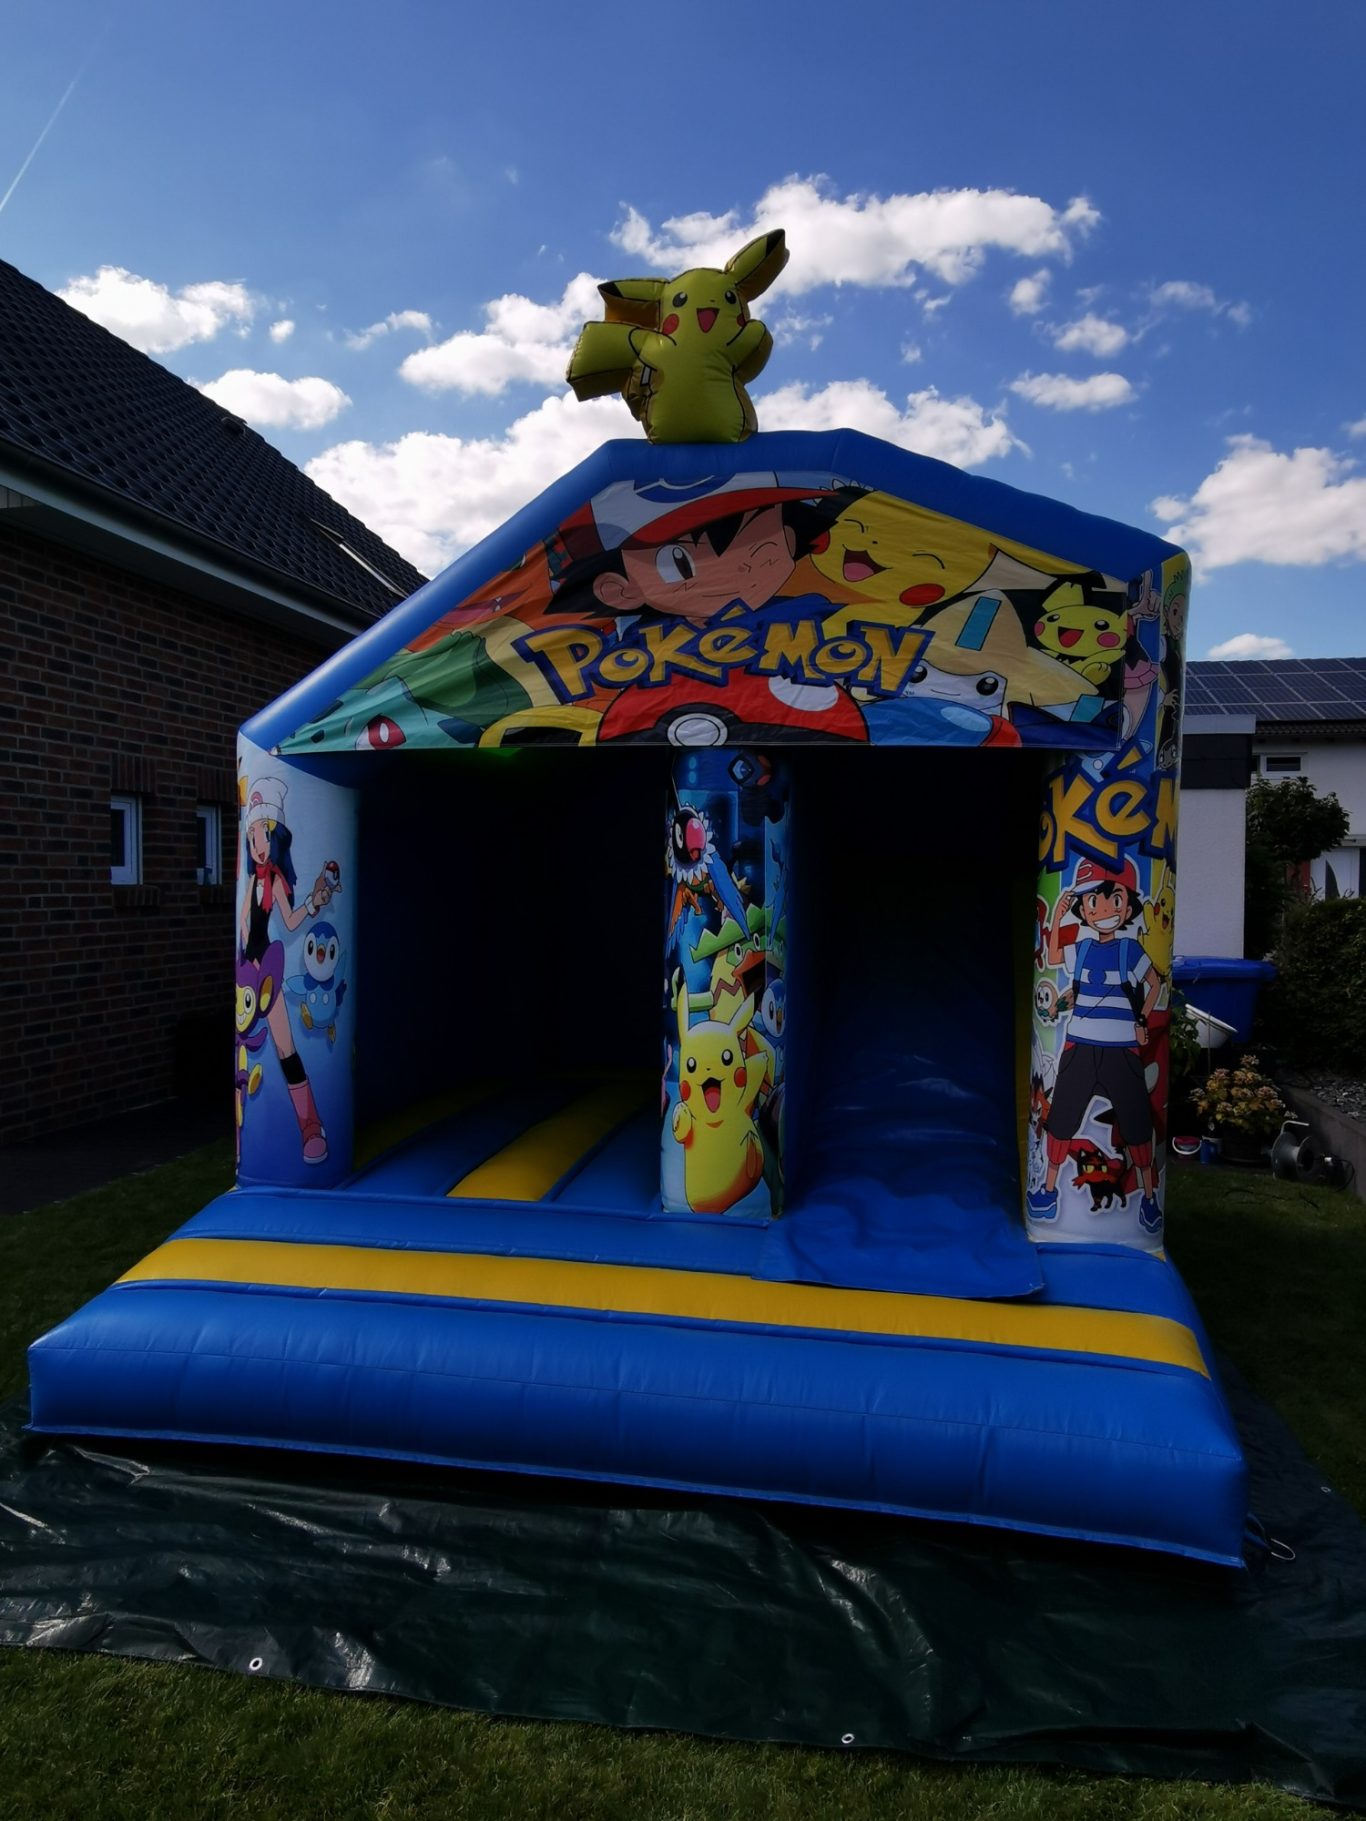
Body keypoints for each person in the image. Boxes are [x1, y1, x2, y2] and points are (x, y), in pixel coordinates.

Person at [1029, 855, 1162, 1231]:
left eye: (1113, 900)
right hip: (1080, 1047)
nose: (1103, 910)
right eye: (1093, 902)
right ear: (1084, 910)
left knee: (1137, 1125)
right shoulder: (1084, 949)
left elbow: (1154, 983)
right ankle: (1048, 1192)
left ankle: (1149, 1201)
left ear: (1127, 908)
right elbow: (1056, 958)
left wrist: (1141, 1020)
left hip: (1121, 1050)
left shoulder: (1129, 950)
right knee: (1060, 1120)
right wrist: (1058, 917)